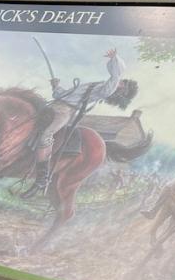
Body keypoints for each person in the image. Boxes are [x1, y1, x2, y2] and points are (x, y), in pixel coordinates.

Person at [22, 48, 127, 198]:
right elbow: (64, 95)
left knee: (46, 135)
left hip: (65, 112)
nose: (119, 82)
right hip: (55, 105)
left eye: (120, 83)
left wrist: (114, 58)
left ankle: (41, 180)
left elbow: (115, 76)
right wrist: (56, 86)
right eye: (119, 81)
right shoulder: (94, 85)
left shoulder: (105, 89)